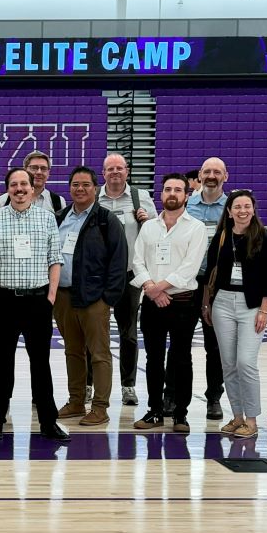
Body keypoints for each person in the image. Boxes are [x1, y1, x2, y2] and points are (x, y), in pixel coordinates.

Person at [0, 167, 68, 442]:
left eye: (24, 184)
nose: (19, 189)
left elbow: (55, 259)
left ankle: (48, 422)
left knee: (41, 364)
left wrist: (50, 297)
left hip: (38, 301)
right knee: (2, 365)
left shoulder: (47, 218)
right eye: (14, 184)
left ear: (32, 187)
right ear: (8, 189)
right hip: (3, 301)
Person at [131, 174, 210, 433]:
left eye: (178, 189)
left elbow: (190, 268)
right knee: (153, 359)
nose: (172, 194)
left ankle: (180, 414)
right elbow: (137, 261)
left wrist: (157, 288)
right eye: (167, 189)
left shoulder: (196, 227)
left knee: (180, 358)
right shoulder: (149, 227)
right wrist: (150, 289)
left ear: (187, 195)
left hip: (183, 303)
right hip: (153, 304)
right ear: (161, 194)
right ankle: (154, 410)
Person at [53, 166, 128, 427]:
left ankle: (100, 407)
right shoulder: (59, 217)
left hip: (95, 298)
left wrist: (108, 298)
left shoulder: (107, 220)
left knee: (99, 354)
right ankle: (76, 401)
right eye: (75, 184)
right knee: (73, 352)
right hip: (63, 297)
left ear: (95, 188)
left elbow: (119, 262)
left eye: (86, 184)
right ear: (70, 188)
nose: (80, 189)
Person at [201, 189, 267, 438]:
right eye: (237, 207)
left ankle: (252, 420)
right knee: (229, 365)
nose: (242, 211)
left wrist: (264, 309)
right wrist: (207, 304)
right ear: (230, 211)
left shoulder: (265, 236)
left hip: (251, 305)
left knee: (246, 362)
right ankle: (237, 417)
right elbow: (210, 272)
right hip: (222, 302)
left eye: (247, 206)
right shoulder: (222, 237)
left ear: (253, 209)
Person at [97, 153, 153, 406]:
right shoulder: (94, 199)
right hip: (98, 276)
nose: (115, 172)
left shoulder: (140, 198)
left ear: (127, 172)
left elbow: (156, 231)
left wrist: (147, 220)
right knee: (94, 333)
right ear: (104, 173)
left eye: (120, 168)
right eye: (111, 169)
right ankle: (90, 384)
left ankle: (128, 385)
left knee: (128, 334)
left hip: (129, 275)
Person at [184, 157, 230, 422]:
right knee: (180, 342)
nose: (211, 175)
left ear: (226, 176)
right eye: (207, 171)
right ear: (199, 175)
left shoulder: (233, 207)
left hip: (218, 285)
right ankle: (175, 394)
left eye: (217, 172)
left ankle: (214, 396)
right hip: (188, 282)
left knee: (215, 346)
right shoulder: (187, 204)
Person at [23, 151, 63, 216]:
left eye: (43, 168)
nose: (39, 172)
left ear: (48, 173)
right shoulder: (6, 199)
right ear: (25, 170)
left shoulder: (58, 202)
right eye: (34, 168)